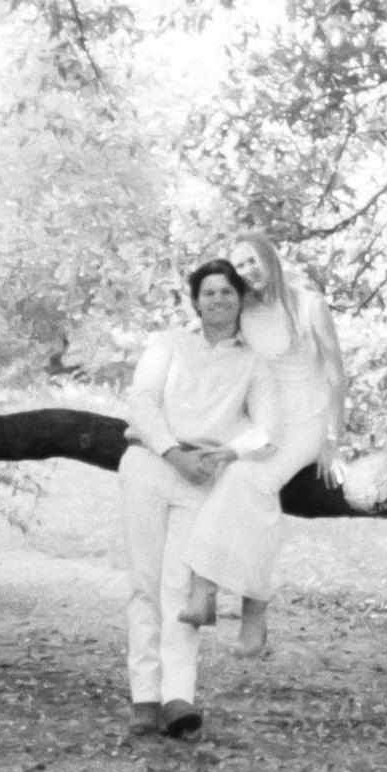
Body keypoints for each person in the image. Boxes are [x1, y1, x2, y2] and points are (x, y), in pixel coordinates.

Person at [118, 257, 276, 741]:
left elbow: (267, 427)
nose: (218, 300)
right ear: (196, 300)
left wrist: (229, 451)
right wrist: (172, 452)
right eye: (209, 292)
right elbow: (142, 401)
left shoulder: (254, 361)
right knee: (144, 584)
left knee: (182, 589)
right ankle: (145, 698)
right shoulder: (168, 344)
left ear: (240, 299)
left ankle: (177, 698)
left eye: (227, 292)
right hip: (151, 463)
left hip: (203, 476)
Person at [180, 231, 347, 656]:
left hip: (307, 419)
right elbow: (205, 330)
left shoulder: (308, 305)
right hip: (264, 420)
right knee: (234, 481)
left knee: (249, 479)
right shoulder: (245, 309)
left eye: (252, 260)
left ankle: (213, 592)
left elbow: (336, 373)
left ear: (269, 257)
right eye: (239, 265)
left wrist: (332, 440)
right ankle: (232, 608)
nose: (248, 271)